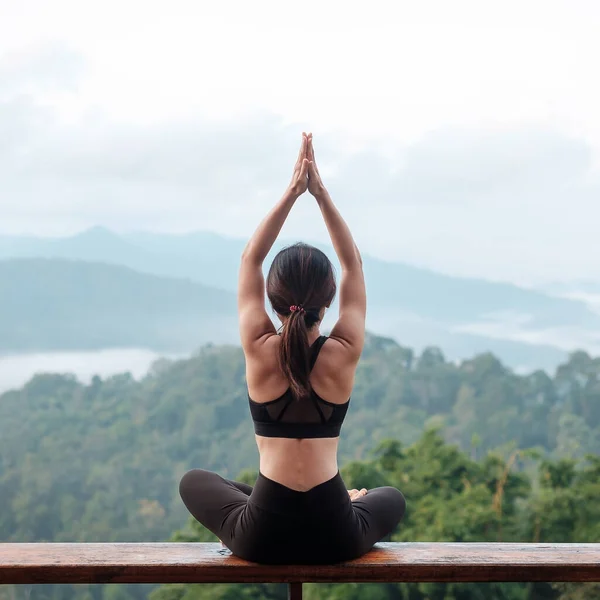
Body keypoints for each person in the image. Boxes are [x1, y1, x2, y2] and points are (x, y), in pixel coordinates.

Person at [179, 133, 405, 564]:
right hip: (335, 535)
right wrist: (320, 195)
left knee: (194, 480)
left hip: (262, 536)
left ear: (273, 298)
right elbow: (352, 262)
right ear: (330, 298)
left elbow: (250, 259)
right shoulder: (344, 349)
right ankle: (352, 501)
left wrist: (292, 192)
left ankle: (258, 503)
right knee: (390, 496)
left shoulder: (259, 347)